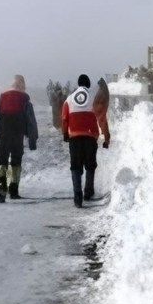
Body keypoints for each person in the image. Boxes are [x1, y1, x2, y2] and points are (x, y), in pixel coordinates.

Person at [62, 74, 110, 207]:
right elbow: (102, 119)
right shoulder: (93, 99)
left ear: (78, 85)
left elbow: (64, 119)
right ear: (88, 85)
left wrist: (65, 134)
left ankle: (77, 196)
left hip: (74, 138)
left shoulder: (69, 99)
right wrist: (107, 138)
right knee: (90, 165)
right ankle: (88, 192)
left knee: (75, 166)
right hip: (90, 137)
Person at [0, 74, 38, 203]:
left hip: (3, 133)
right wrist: (32, 139)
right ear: (22, 86)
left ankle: (1, 192)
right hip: (17, 134)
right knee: (16, 162)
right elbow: (31, 121)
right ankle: (14, 191)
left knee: (1, 161)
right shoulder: (25, 99)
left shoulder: (3, 97)